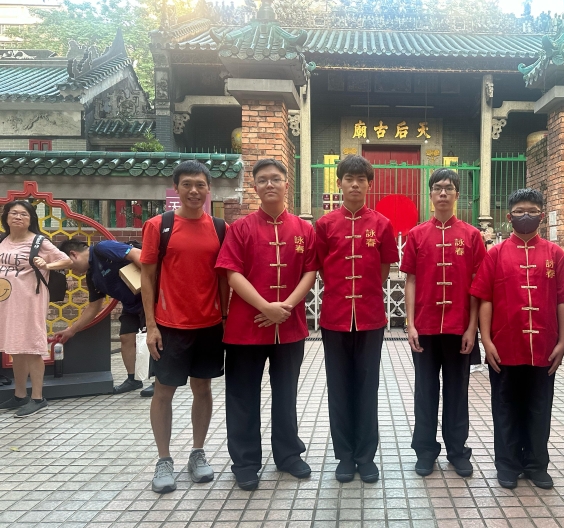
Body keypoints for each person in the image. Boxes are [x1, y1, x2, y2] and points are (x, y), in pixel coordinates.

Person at [215, 159, 318, 491]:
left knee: (286, 394)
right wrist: (265, 307)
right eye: (262, 180)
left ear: (287, 184)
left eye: (275, 178)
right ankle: (245, 462)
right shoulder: (241, 228)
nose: (269, 184)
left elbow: (310, 271)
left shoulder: (304, 230)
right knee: (243, 396)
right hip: (246, 327)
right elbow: (232, 273)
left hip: (289, 325)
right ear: (255, 186)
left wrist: (285, 307)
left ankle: (288, 455)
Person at [470, 189, 564, 489]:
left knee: (539, 408)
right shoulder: (496, 254)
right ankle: (507, 464)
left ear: (541, 216)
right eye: (519, 211)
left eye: (532, 211)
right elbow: (485, 299)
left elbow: (563, 300)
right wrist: (486, 340)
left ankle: (536, 464)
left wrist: (563, 342)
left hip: (544, 347)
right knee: (505, 407)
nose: (525, 216)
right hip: (504, 347)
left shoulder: (555, 255)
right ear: (509, 216)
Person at [140, 160, 229, 494]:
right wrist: (151, 325)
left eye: (200, 185)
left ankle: (198, 452)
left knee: (202, 388)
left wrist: (225, 318)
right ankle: (164, 459)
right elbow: (147, 277)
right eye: (187, 184)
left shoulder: (220, 228)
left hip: (209, 324)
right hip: (170, 325)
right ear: (176, 188)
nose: (194, 191)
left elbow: (224, 279)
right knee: (163, 391)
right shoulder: (159, 226)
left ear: (209, 189)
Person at [316, 154, 399, 484]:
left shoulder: (382, 224)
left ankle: (366, 456)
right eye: (348, 178)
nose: (354, 184)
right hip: (334, 317)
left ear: (369, 185)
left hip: (370, 317)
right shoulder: (325, 225)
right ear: (339, 183)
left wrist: (364, 292)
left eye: (360, 179)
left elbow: (384, 268)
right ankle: (345, 456)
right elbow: (321, 267)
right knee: (338, 388)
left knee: (367, 387)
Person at [401, 168, 485, 478]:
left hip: (459, 328)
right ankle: (425, 451)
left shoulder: (472, 236)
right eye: (438, 188)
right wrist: (410, 324)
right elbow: (410, 280)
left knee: (457, 392)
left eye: (449, 188)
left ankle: (457, 451)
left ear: (457, 194)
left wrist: (472, 328)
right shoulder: (417, 234)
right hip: (424, 327)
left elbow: (478, 285)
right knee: (425, 392)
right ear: (431, 194)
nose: (443, 193)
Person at [0, 200, 72, 417]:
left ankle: (38, 398)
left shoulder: (39, 241)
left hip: (30, 301)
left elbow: (66, 261)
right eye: (13, 213)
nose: (18, 217)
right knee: (15, 347)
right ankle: (20, 395)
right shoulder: (3, 240)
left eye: (24, 214)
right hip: (7, 302)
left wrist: (47, 265)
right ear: (6, 217)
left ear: (31, 219)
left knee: (31, 346)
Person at [58, 239, 150, 395]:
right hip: (130, 305)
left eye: (71, 267)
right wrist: (71, 330)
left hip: (148, 298)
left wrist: (155, 283)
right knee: (126, 337)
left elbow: (137, 254)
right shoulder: (92, 276)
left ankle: (159, 381)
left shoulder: (103, 248)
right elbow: (93, 307)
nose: (73, 271)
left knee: (152, 338)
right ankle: (133, 379)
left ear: (73, 254)